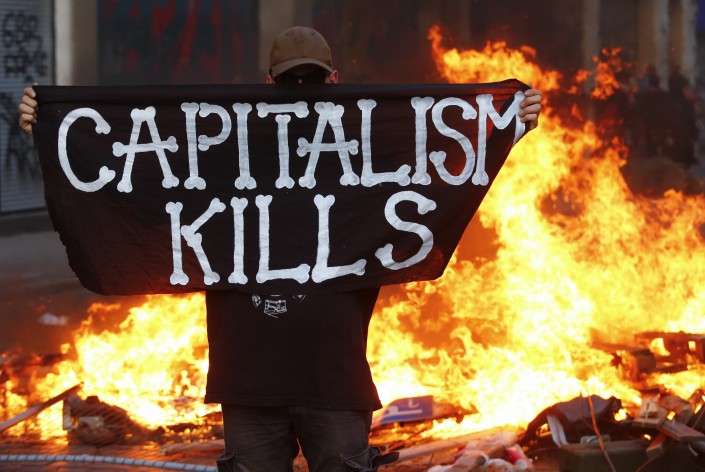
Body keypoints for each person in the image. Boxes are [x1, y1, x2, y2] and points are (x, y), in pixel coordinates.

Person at [19, 25, 542, 472]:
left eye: (311, 81)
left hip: (336, 385)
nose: (301, 91)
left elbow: (442, 163)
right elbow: (141, 178)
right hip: (249, 388)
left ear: (333, 80)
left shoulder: (369, 149)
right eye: (291, 82)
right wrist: (46, 126)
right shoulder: (223, 152)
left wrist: (505, 125)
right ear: (269, 84)